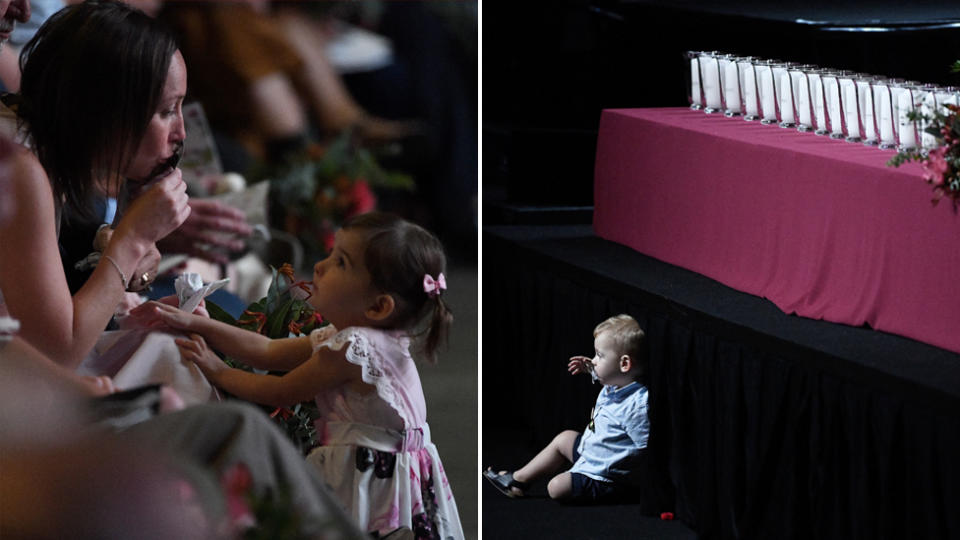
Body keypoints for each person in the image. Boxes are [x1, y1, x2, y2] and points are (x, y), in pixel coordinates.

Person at [139, 211, 465, 539]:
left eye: (341, 263)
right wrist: (199, 323)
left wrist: (218, 369)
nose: (320, 266)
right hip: (396, 474)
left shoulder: (353, 348)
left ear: (379, 307)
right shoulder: (368, 336)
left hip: (368, 481)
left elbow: (281, 391)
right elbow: (267, 350)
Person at [0, 0, 191, 368]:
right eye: (167, 111)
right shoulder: (19, 168)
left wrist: (136, 262)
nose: (181, 133)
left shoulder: (57, 150)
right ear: (104, 112)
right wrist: (131, 240)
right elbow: (57, 352)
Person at [484, 314, 650, 504]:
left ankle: (623, 491)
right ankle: (517, 480)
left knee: (555, 488)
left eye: (600, 356)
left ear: (624, 364)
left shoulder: (636, 404)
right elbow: (607, 375)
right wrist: (590, 369)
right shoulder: (615, 384)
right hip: (592, 453)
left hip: (604, 474)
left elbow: (645, 447)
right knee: (565, 438)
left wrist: (631, 478)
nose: (593, 360)